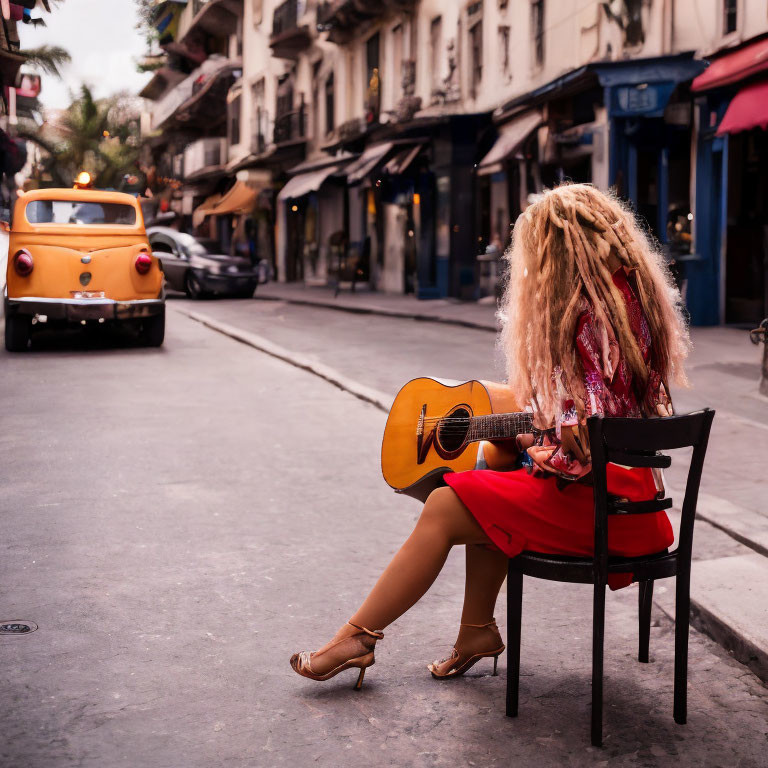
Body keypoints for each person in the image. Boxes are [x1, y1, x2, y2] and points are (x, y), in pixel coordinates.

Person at [289, 184, 690, 689]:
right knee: (491, 480)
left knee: (447, 502)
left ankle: (358, 637)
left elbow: (580, 444)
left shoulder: (587, 317)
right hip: (640, 508)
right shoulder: (633, 295)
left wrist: (530, 444)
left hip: (607, 515)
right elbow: (604, 421)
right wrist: (527, 442)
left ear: (559, 254)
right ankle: (475, 630)